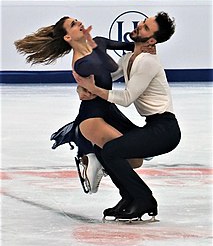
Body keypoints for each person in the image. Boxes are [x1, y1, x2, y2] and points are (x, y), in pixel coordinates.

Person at [14, 17, 144, 194]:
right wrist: (95, 46)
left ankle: (96, 157)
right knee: (126, 154)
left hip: (109, 112)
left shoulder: (98, 42)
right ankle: (96, 158)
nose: (80, 23)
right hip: (92, 118)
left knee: (137, 160)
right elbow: (111, 66)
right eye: (73, 25)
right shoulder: (82, 64)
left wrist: (147, 44)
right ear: (68, 38)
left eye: (77, 21)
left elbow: (131, 47)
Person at [74, 12, 181, 221]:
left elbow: (126, 98)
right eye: (143, 22)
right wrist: (85, 88)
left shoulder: (147, 62)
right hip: (153, 126)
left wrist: (94, 89)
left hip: (165, 130)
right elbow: (106, 80)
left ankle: (144, 199)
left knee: (113, 151)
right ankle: (129, 197)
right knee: (103, 149)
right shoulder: (129, 58)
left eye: (146, 27)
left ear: (151, 40)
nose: (140, 25)